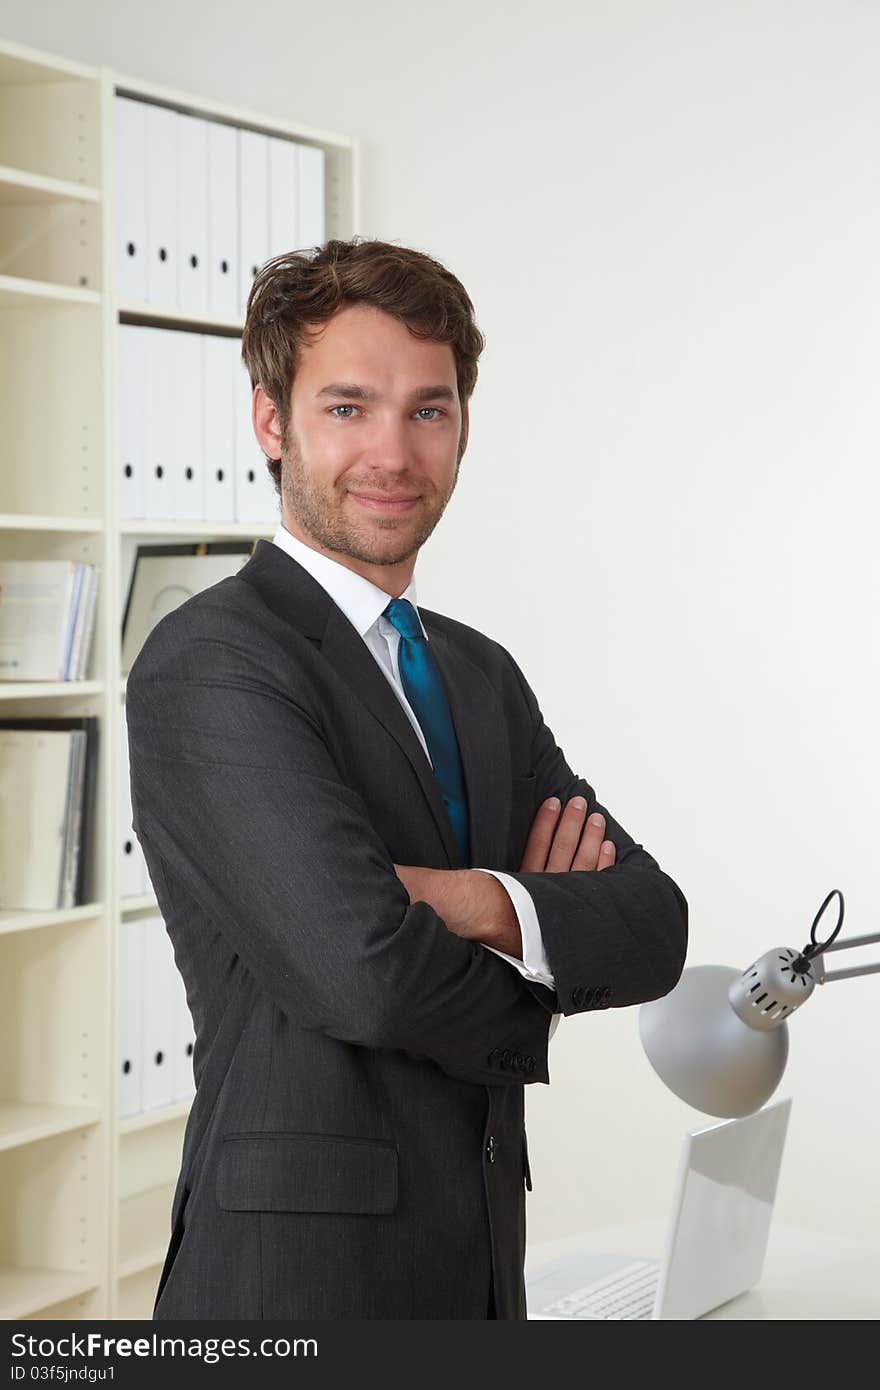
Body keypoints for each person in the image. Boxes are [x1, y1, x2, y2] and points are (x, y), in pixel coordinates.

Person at [126, 237, 688, 1321]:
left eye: (427, 410)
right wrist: (538, 941)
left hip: (479, 1264)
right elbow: (362, 971)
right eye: (348, 407)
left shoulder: (478, 672)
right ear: (270, 421)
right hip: (295, 1290)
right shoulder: (213, 661)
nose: (392, 451)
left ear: (463, 426)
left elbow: (652, 923)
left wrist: (461, 895)